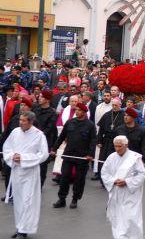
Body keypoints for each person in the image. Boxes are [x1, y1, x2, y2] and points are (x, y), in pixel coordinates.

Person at [2, 111, 49, 239]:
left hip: (30, 173)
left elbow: (43, 154)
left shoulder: (39, 135)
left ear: (31, 122)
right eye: (20, 120)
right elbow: (7, 148)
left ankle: (24, 229)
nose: (21, 123)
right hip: (16, 171)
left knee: (27, 200)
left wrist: (23, 158)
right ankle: (19, 227)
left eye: (24, 120)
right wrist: (12, 156)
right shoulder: (15, 132)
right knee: (18, 201)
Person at [101, 135, 145, 239]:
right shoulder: (111, 157)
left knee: (131, 218)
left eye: (120, 146)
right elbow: (104, 173)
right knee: (117, 219)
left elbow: (141, 174)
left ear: (126, 145)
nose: (117, 149)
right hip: (116, 193)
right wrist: (113, 181)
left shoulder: (135, 158)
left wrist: (127, 182)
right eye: (115, 146)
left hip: (130, 194)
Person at [52, 102, 96, 209]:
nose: (76, 111)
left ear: (84, 112)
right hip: (68, 154)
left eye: (79, 110)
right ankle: (61, 199)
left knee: (79, 180)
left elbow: (93, 141)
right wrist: (54, 148)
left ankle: (75, 199)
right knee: (64, 177)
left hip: (82, 157)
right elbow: (62, 136)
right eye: (76, 110)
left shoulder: (90, 125)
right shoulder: (70, 122)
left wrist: (90, 155)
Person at [34, 90, 58, 187]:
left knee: (42, 165)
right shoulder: (36, 109)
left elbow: (49, 128)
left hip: (45, 141)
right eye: (39, 96)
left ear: (47, 99)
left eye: (41, 97)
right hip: (33, 140)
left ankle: (39, 185)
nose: (39, 98)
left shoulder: (52, 113)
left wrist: (38, 134)